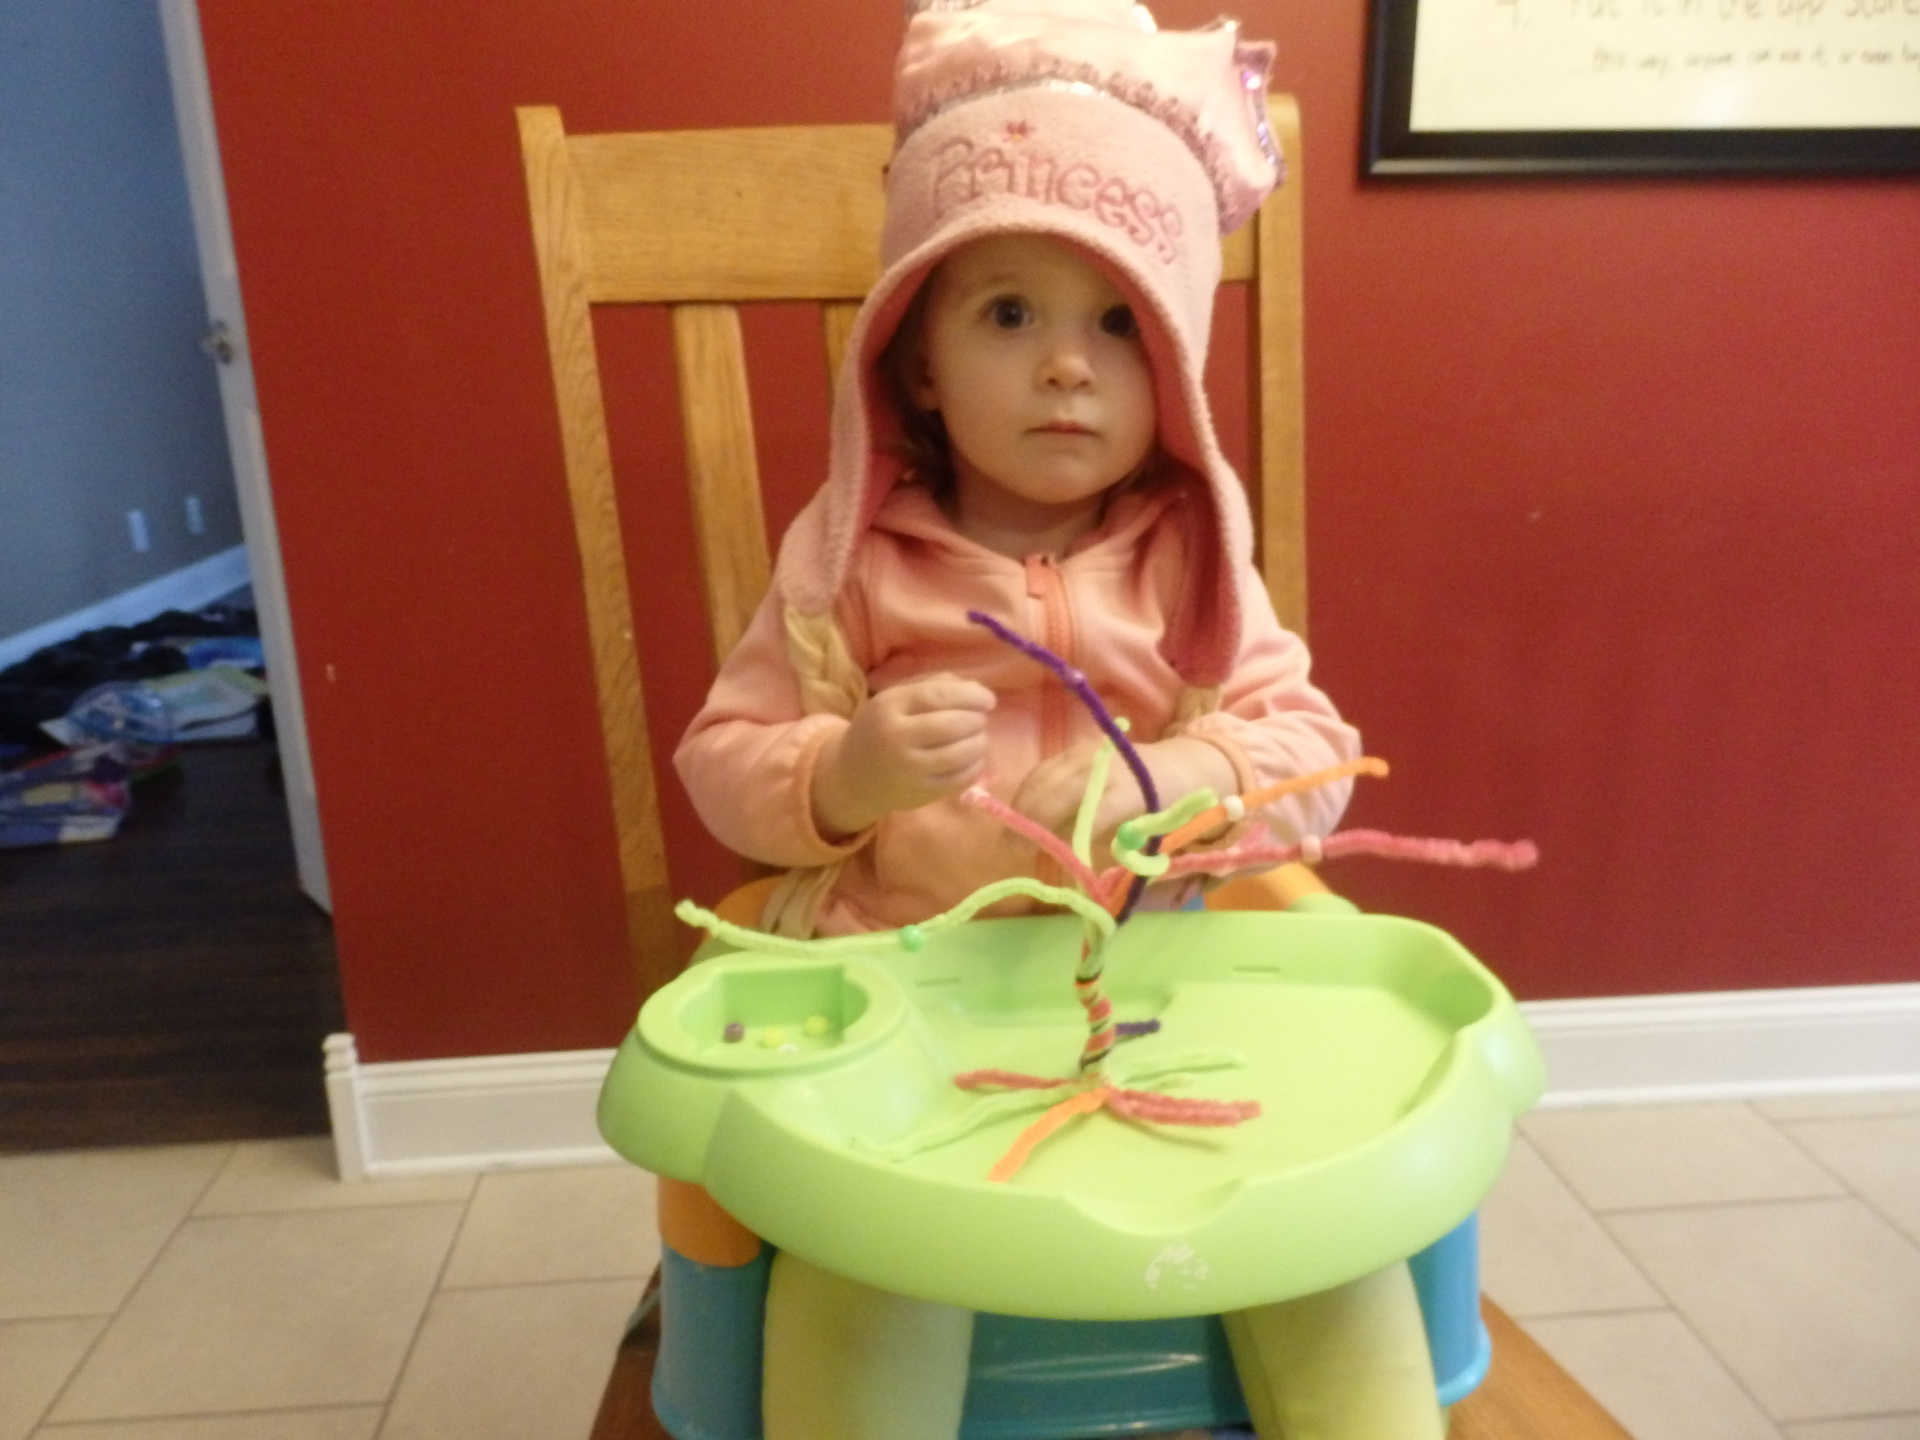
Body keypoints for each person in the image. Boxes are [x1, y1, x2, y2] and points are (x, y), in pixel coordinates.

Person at [673, 2, 1446, 1435]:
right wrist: (842, 774)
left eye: (1119, 322)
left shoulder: (1194, 564)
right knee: (862, 1263)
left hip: (1173, 994)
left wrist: (1192, 769)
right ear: (913, 357)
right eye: (1009, 312)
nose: (1067, 365)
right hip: (903, 996)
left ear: (1177, 368)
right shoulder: (846, 562)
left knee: (1324, 1243)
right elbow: (722, 767)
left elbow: (1317, 758)